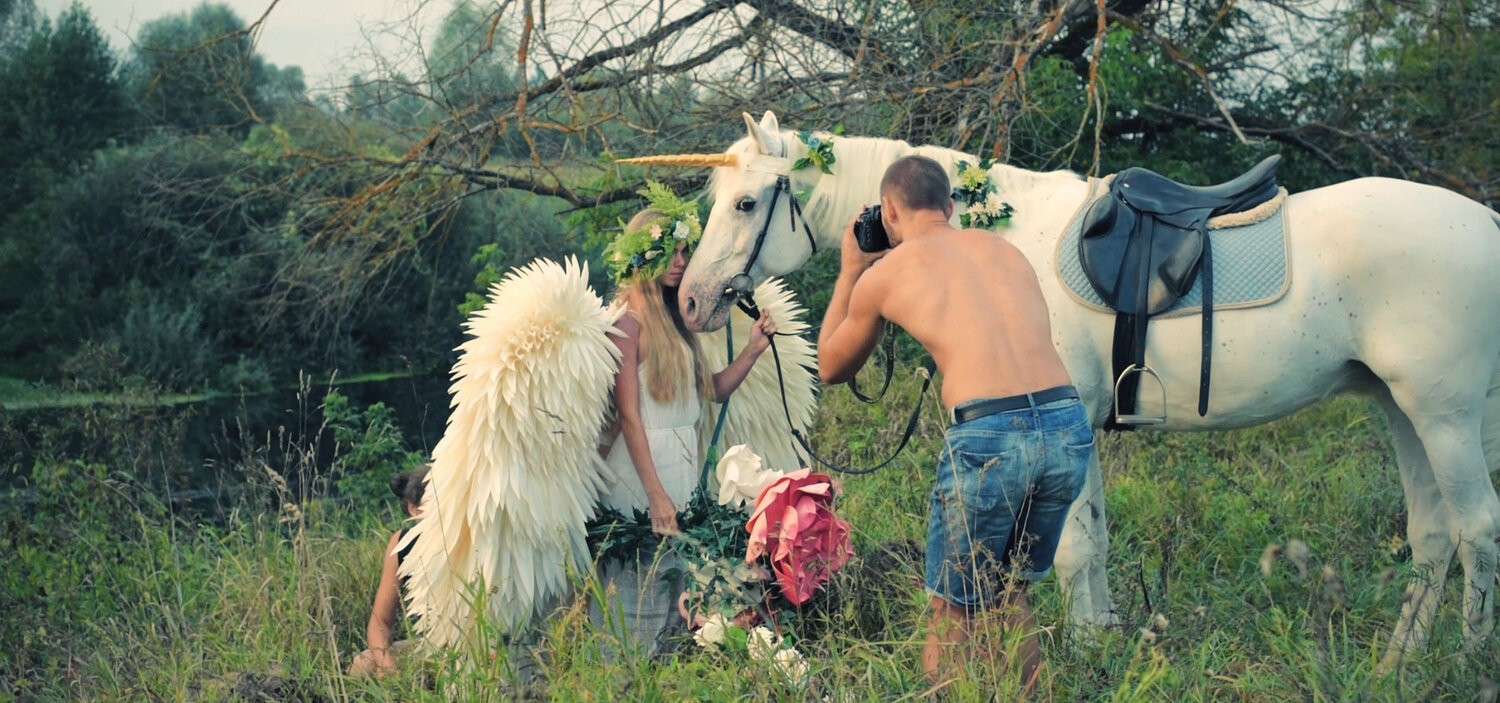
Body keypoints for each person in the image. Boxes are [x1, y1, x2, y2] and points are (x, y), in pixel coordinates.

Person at [816, 155, 1094, 688]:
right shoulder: (1005, 249)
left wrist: (852, 270)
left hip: (990, 436)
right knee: (1010, 593)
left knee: (951, 609)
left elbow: (831, 366)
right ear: (948, 207)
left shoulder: (885, 274)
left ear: (888, 212)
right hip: (1065, 424)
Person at [593, 194, 777, 656]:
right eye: (671, 253)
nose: (681, 262)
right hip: (641, 473)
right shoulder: (628, 323)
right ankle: (621, 672)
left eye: (684, 252)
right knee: (637, 584)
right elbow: (628, 415)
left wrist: (753, 349)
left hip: (680, 467)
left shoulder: (677, 324)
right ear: (644, 257)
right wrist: (655, 493)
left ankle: (663, 669)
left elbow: (712, 391)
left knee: (675, 584)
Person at [349, 464, 431, 678]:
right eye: (433, 500)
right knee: (362, 664)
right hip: (431, 646)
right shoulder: (403, 543)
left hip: (480, 645)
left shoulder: (473, 537)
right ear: (414, 509)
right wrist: (386, 665)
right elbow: (380, 621)